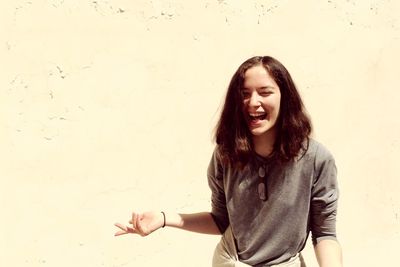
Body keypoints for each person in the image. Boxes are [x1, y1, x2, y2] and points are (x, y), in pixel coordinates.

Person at [114, 56, 343, 267]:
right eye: (244, 94)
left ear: (285, 97)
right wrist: (164, 219)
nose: (253, 102)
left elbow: (324, 234)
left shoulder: (317, 160)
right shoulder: (226, 155)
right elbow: (221, 221)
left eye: (265, 92)